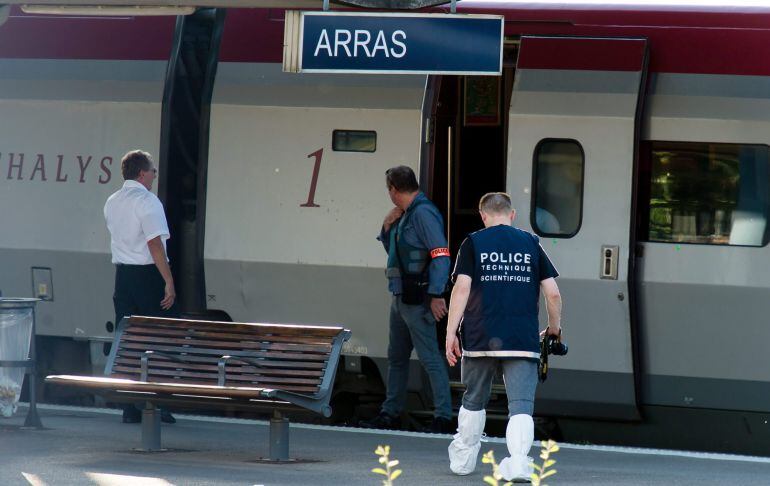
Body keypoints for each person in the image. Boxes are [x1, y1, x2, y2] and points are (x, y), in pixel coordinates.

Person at [445, 192, 562, 481]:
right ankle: (520, 464)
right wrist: (555, 329)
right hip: (522, 339)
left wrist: (450, 332)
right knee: (521, 406)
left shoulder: (473, 242)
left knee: (474, 399)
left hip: (480, 335)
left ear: (483, 216)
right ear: (512, 215)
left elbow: (461, 289)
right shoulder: (532, 243)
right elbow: (553, 293)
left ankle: (463, 461)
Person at [359, 165, 453, 433]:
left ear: (393, 190)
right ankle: (391, 412)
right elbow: (397, 252)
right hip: (400, 297)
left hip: (419, 298)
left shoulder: (423, 214)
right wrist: (387, 226)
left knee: (430, 358)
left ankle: (443, 417)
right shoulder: (406, 214)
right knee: (396, 357)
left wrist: (436, 294)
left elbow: (441, 255)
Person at [104, 150, 179, 424]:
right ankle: (156, 404)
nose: (155, 175)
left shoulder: (112, 201)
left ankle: (131, 406)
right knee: (161, 337)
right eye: (153, 171)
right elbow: (155, 244)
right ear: (142, 174)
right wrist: (168, 281)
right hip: (148, 276)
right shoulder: (148, 202)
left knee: (129, 341)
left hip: (123, 277)